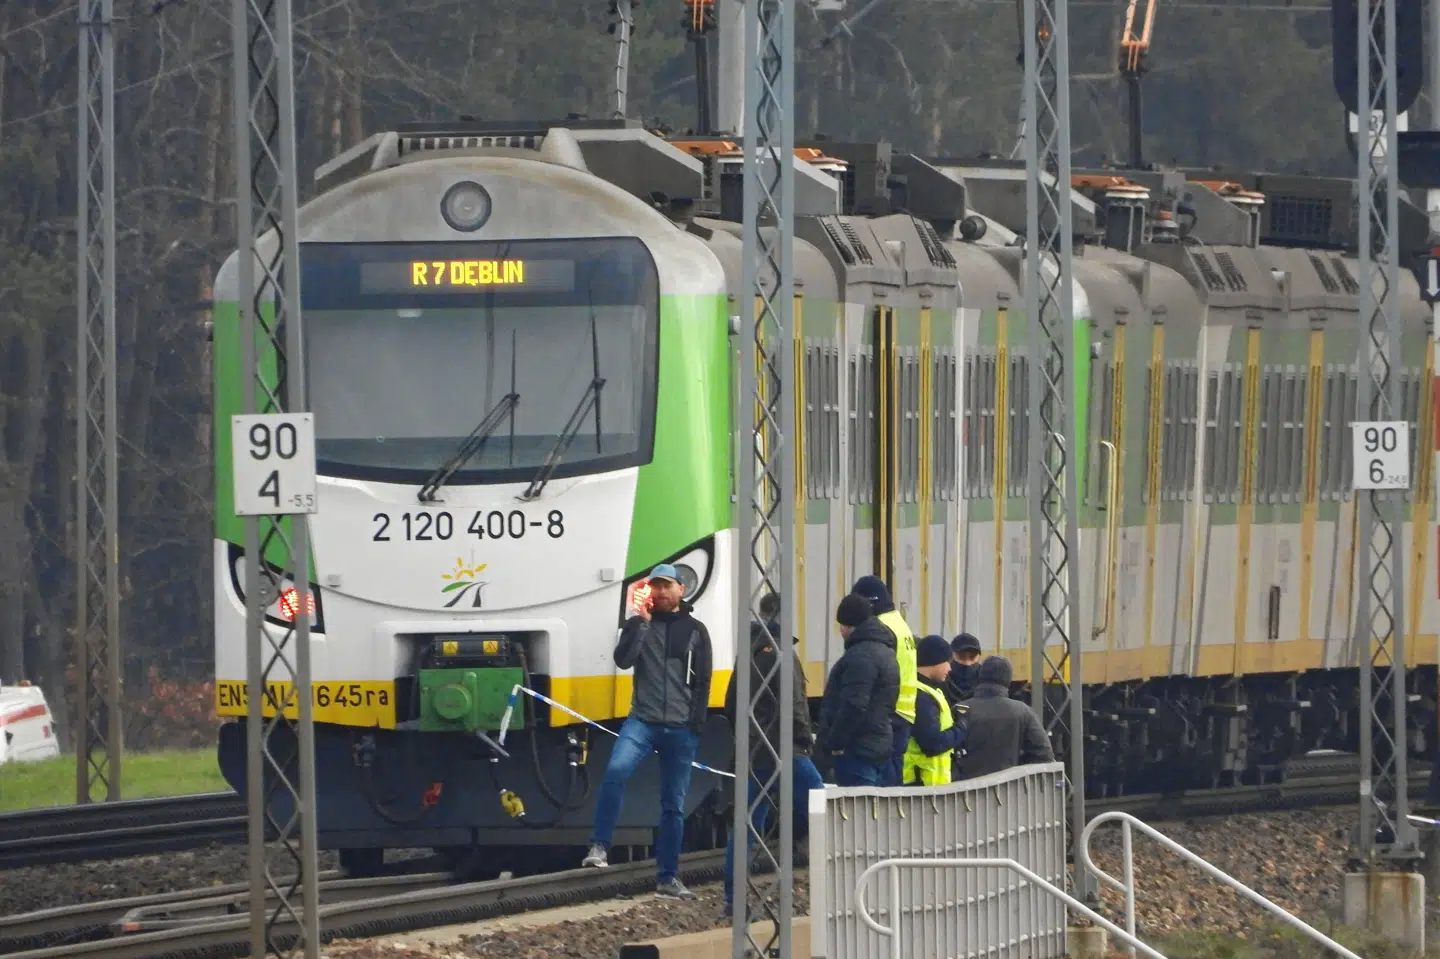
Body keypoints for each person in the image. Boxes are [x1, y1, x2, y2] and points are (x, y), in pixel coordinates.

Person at [582, 563, 713, 901]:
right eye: (656, 586)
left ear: (681, 590)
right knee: (615, 771)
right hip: (642, 721)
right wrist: (640, 622)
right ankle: (600, 846)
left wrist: (694, 726)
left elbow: (703, 681)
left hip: (681, 729)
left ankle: (668, 879)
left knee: (674, 805)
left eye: (668, 585)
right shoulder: (638, 625)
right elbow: (623, 660)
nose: (661, 591)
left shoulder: (696, 630)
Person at [721, 592, 825, 919]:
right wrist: (803, 739)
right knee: (823, 804)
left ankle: (733, 899)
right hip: (784, 749)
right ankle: (836, 880)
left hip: (753, 752)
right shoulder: (782, 651)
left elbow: (730, 703)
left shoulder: (748, 651)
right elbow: (794, 702)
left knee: (748, 825)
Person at [816, 594, 900, 787]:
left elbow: (854, 705)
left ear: (847, 625)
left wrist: (835, 743)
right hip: (878, 744)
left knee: (856, 811)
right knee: (871, 811)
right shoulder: (886, 652)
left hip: (858, 750)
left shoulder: (860, 657)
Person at [850, 575, 917, 786]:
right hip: (905, 711)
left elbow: (877, 672)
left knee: (882, 781)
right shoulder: (900, 623)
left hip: (889, 713)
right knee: (893, 777)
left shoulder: (880, 628)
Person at [954, 655, 1054, 780]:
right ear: (1008, 680)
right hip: (1010, 792)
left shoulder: (961, 709)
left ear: (980, 677)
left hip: (964, 792)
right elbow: (1044, 755)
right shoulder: (1023, 711)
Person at [902, 635, 970, 786]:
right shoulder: (922, 696)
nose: (950, 668)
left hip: (928, 784)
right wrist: (961, 727)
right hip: (922, 787)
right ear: (935, 662)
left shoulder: (927, 690)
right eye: (947, 662)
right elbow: (933, 744)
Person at [947, 633, 983, 702]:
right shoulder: (940, 680)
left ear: (979, 657)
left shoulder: (987, 681)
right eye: (961, 657)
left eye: (972, 657)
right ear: (951, 655)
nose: (967, 663)